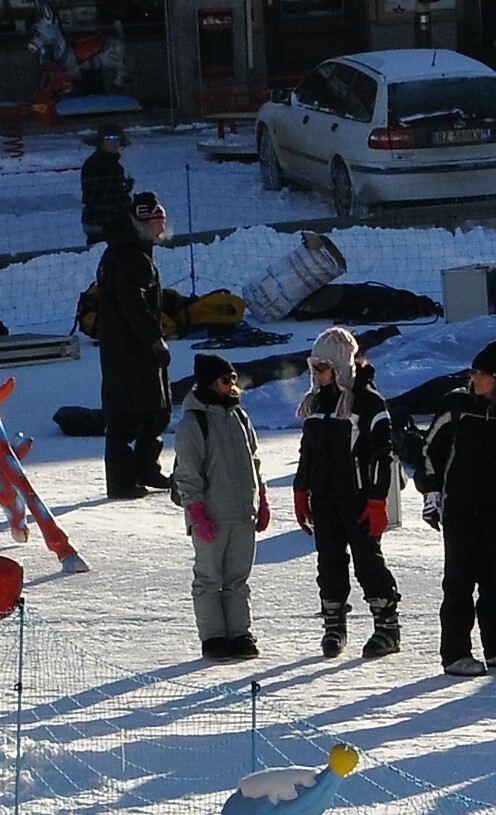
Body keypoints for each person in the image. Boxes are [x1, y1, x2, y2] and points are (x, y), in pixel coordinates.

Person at [421, 328, 496, 676]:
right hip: (458, 506)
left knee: (493, 579)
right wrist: (431, 492)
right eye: (473, 372)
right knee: (458, 580)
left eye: (482, 374)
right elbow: (430, 450)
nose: (474, 379)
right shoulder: (456, 405)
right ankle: (455, 653)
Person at [294, 326, 401, 661]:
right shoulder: (316, 403)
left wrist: (377, 499)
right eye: (313, 366)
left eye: (323, 366)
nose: (316, 373)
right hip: (325, 498)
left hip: (358, 498)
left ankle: (387, 627)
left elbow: (383, 454)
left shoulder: (367, 402)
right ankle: (334, 626)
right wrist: (301, 489)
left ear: (340, 366)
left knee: (368, 562)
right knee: (329, 563)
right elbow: (307, 451)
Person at [172, 352, 270, 660]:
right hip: (211, 515)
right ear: (210, 383)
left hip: (243, 512)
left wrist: (261, 498)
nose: (232, 385)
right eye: (226, 380)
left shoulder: (240, 417)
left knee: (238, 579)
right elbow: (187, 472)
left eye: (233, 379)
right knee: (209, 579)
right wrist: (196, 511)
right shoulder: (193, 423)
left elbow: (254, 460)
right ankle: (213, 637)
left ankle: (240, 633)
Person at [93, 191, 172, 500]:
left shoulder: (133, 251)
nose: (163, 229)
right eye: (158, 222)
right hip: (127, 349)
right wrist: (154, 338)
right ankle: (122, 481)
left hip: (136, 346)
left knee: (155, 410)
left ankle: (146, 468)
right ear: (143, 222)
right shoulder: (129, 256)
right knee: (126, 414)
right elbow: (133, 305)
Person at [80, 126, 134, 246]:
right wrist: (118, 194)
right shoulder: (94, 164)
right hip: (101, 221)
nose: (114, 143)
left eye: (117, 139)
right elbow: (93, 195)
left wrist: (123, 188)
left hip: (112, 220)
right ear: (101, 141)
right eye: (109, 138)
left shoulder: (114, 164)